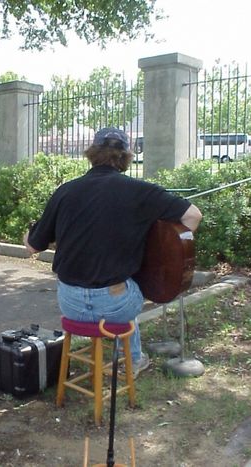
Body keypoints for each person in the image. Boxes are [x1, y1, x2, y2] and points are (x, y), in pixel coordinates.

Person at [23, 127, 202, 377]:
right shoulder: (140, 191)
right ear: (126, 156)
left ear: (92, 154)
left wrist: (29, 233)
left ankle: (130, 355)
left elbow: (32, 246)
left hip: (70, 304)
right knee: (130, 286)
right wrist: (164, 249)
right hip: (115, 305)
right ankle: (132, 359)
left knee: (124, 283)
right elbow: (193, 216)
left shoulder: (65, 191)